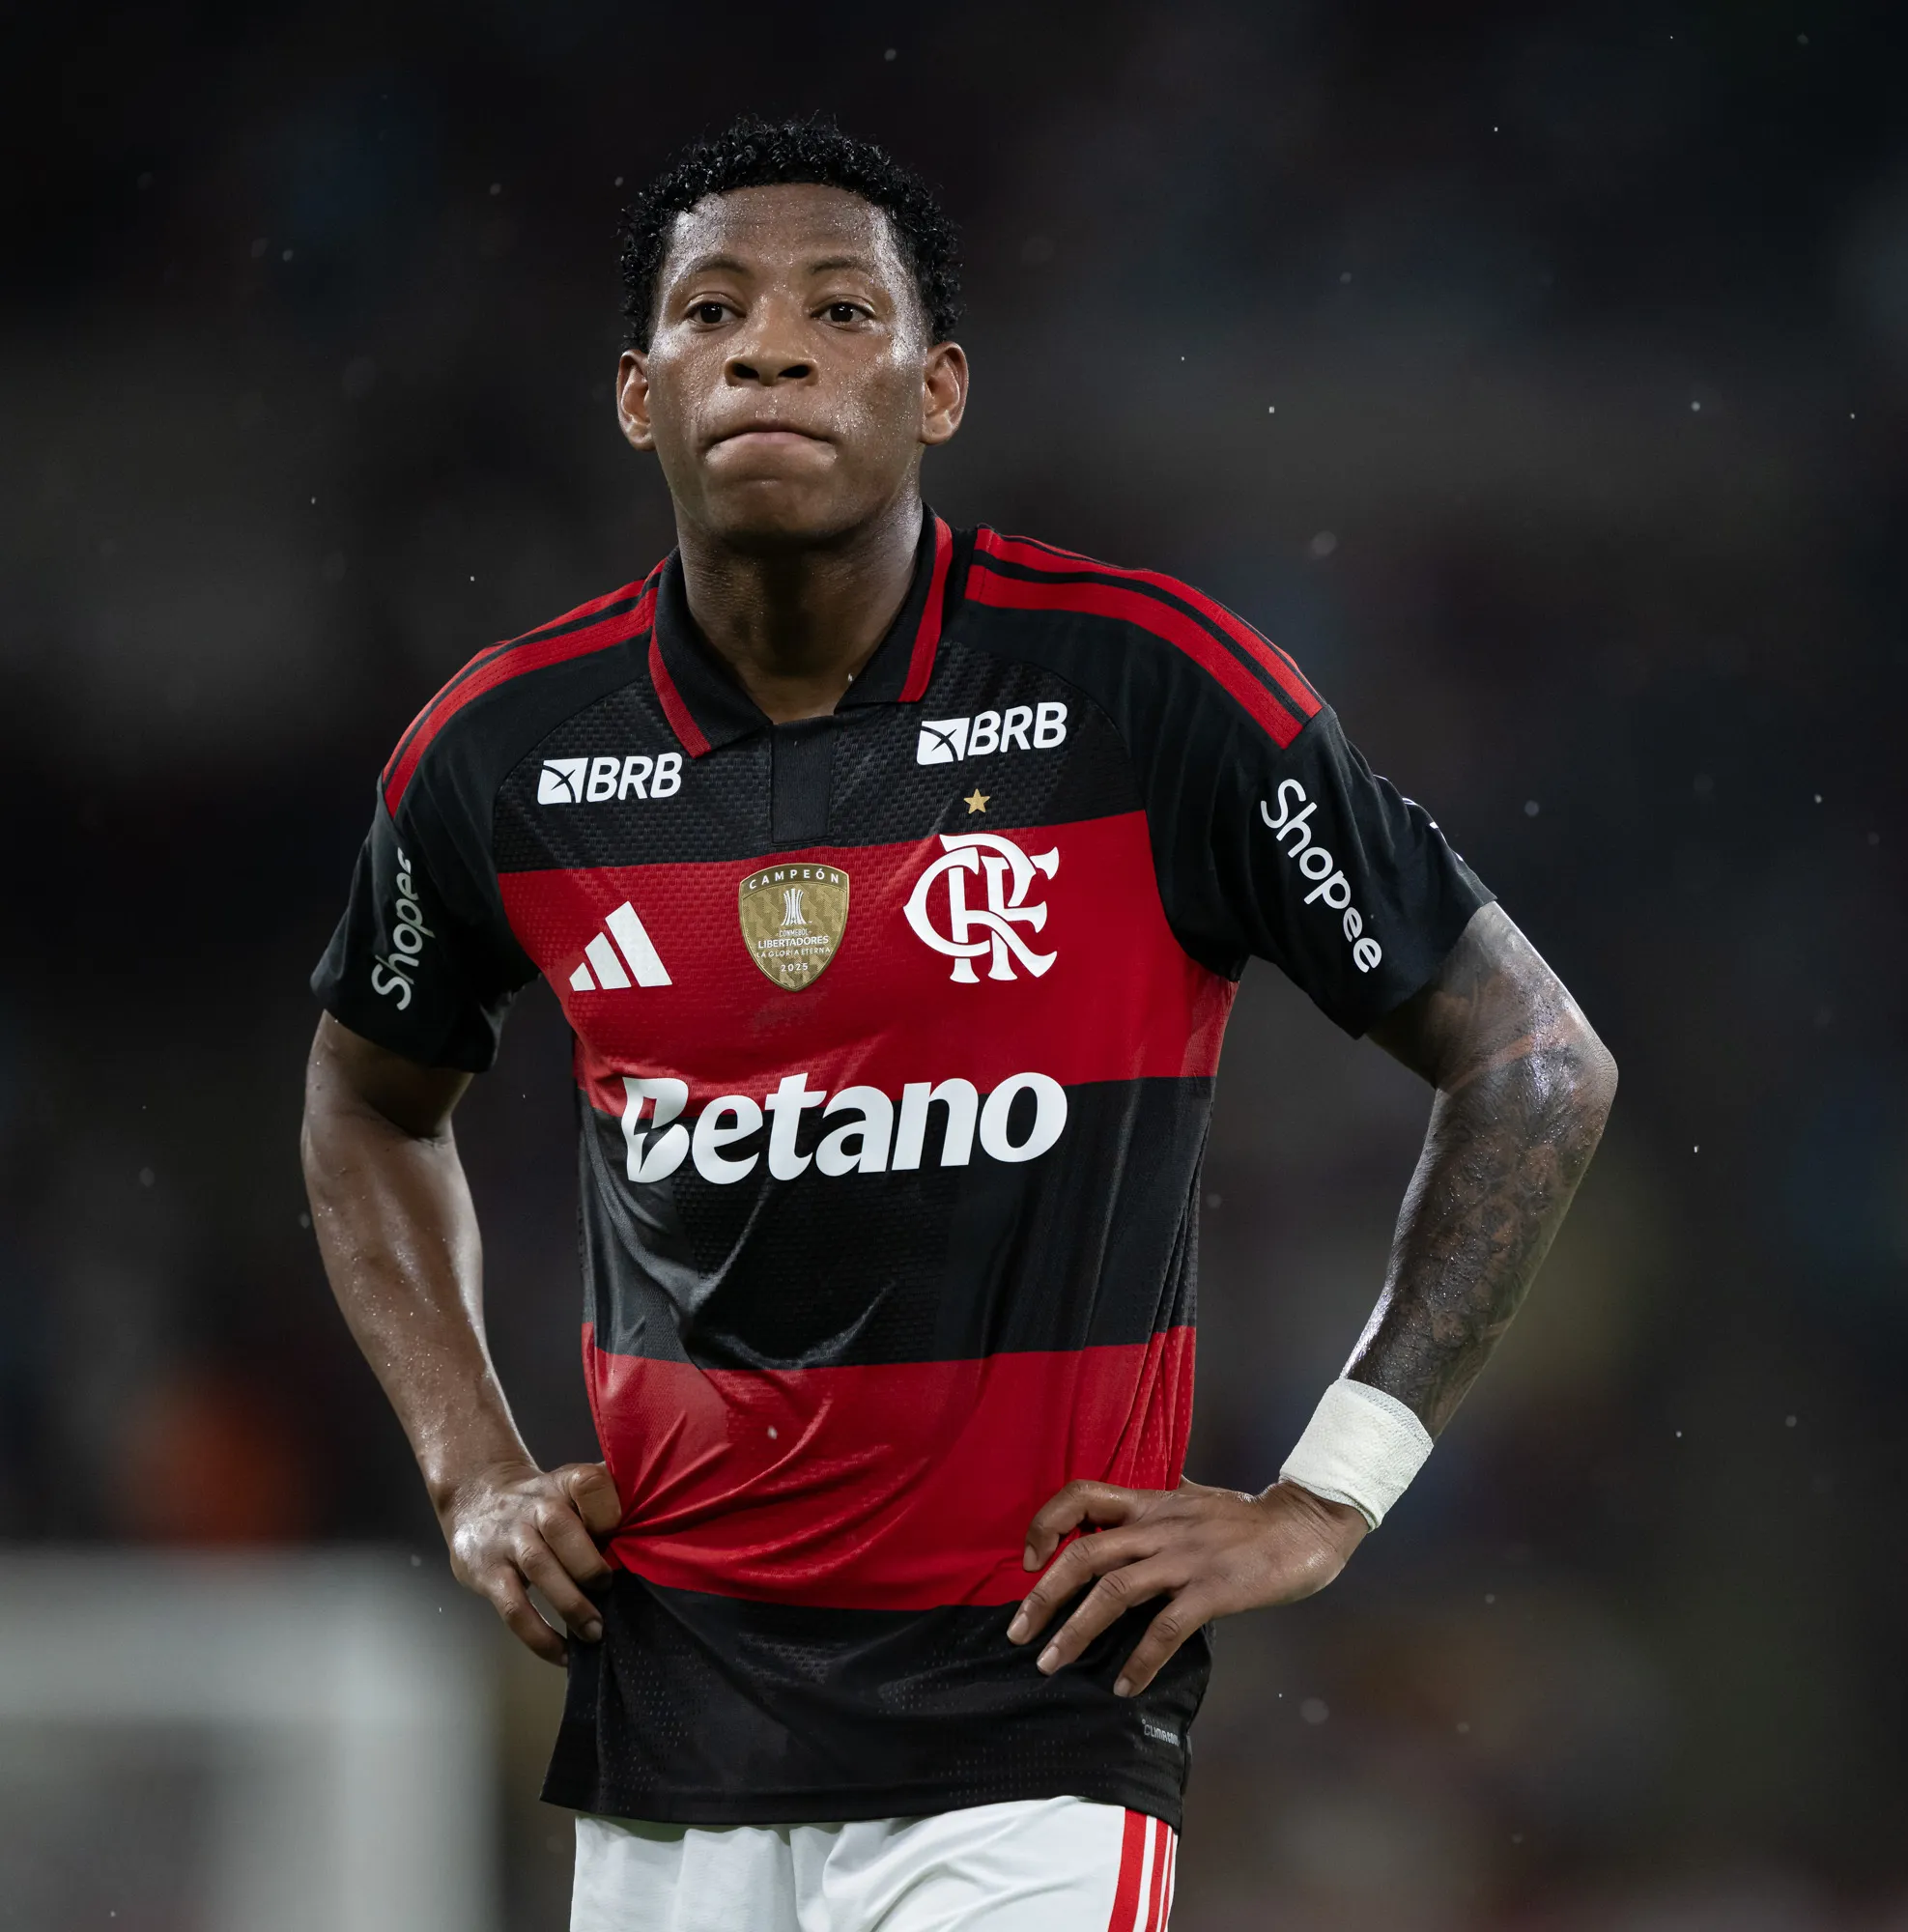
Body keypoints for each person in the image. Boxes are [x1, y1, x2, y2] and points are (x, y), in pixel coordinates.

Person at [299, 117, 1615, 1930]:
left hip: (1031, 1719)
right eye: (712, 310)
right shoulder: (501, 752)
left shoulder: (1147, 692)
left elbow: (1534, 1063)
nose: (771, 350)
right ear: (635, 394)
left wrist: (1330, 1494)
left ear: (939, 391)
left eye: (842, 310)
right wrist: (471, 1476)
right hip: (668, 1725)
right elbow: (369, 1100)